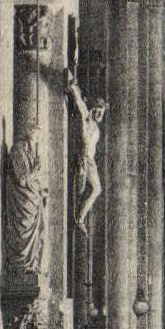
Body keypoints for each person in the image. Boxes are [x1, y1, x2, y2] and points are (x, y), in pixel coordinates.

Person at [66, 69, 105, 234]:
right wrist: (73, 86)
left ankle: (79, 219)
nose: (98, 113)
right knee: (82, 189)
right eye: (96, 110)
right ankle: (78, 219)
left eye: (101, 112)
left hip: (91, 161)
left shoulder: (96, 127)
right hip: (84, 157)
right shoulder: (86, 117)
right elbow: (79, 102)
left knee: (96, 189)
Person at [5, 125, 48, 274]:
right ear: (28, 137)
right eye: (36, 139)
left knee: (40, 231)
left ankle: (32, 264)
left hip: (33, 201)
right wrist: (36, 170)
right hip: (22, 203)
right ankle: (23, 265)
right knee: (23, 233)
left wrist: (41, 190)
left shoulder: (30, 154)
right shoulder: (17, 151)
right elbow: (23, 180)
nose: (37, 143)